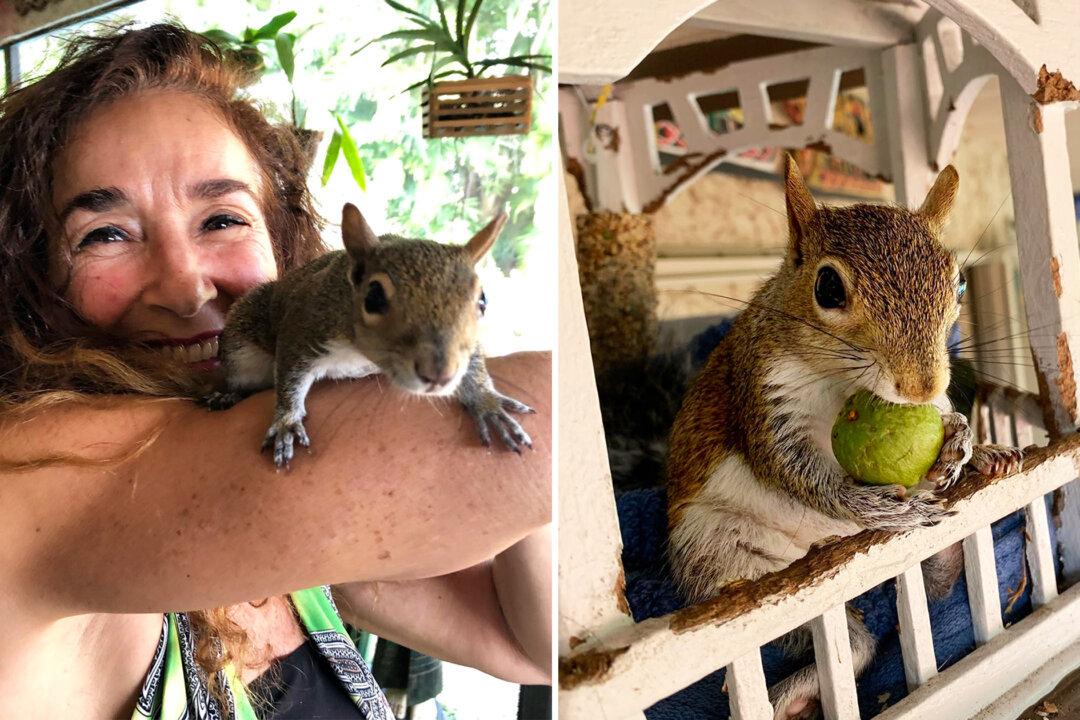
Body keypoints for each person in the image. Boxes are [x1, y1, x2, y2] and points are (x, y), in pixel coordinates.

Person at [0, 22, 551, 719]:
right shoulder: (30, 475)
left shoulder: (292, 514)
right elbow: (555, 437)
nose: (186, 288)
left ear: (283, 244)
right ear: (32, 280)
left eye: (223, 219)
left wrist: (439, 338)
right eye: (105, 234)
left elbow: (529, 644)